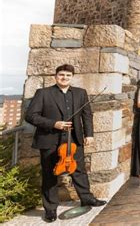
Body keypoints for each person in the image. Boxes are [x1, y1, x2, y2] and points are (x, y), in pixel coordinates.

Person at [25, 64, 106, 223]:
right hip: (49, 140)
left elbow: (87, 115)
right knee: (50, 175)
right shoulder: (43, 93)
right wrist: (54, 123)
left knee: (80, 171)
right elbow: (30, 116)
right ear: (55, 76)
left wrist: (89, 134)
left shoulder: (80, 93)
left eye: (68, 75)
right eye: (61, 75)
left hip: (74, 140)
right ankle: (50, 209)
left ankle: (87, 198)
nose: (64, 78)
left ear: (72, 77)